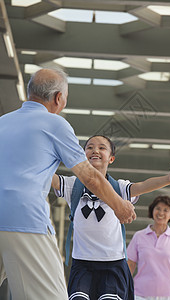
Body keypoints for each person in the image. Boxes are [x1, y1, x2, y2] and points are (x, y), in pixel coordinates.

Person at [0, 68, 136, 300]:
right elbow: (90, 177)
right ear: (58, 98)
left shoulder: (2, 122)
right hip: (25, 220)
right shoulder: (55, 124)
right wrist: (119, 205)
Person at [52, 135, 170, 300]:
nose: (95, 150)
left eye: (102, 148)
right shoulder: (73, 185)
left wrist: (167, 179)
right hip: (82, 263)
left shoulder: (119, 188)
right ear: (83, 156)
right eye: (89, 147)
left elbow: (143, 185)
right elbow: (50, 178)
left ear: (111, 159)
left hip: (112, 264)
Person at [127, 195, 170, 300]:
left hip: (169, 295)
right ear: (152, 211)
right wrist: (124, 284)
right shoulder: (139, 236)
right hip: (140, 294)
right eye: (158, 209)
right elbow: (130, 263)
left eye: (165, 210)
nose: (161, 213)